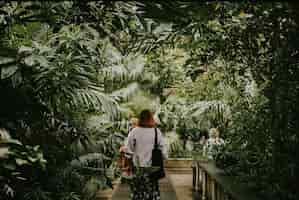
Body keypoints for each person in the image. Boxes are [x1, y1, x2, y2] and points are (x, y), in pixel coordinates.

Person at [126, 109, 167, 200]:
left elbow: (128, 151)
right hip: (153, 169)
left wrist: (130, 165)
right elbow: (164, 152)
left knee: (138, 193)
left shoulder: (134, 132)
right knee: (152, 192)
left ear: (140, 119)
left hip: (138, 168)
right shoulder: (157, 132)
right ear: (151, 119)